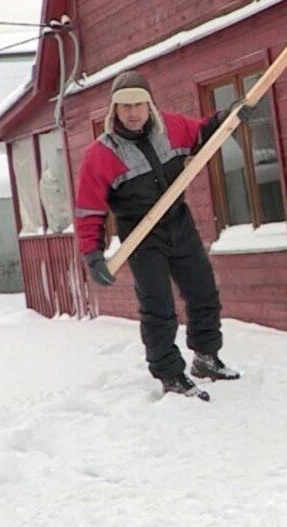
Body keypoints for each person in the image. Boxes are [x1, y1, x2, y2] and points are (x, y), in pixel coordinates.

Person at [74, 70, 249, 400]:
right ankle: (170, 374)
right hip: (140, 234)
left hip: (178, 222)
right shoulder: (101, 154)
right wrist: (93, 254)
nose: (133, 112)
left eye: (139, 104)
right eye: (125, 106)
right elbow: (89, 210)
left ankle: (206, 357)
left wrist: (230, 116)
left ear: (149, 104)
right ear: (114, 110)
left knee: (203, 291)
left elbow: (203, 133)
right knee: (158, 307)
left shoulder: (171, 128)